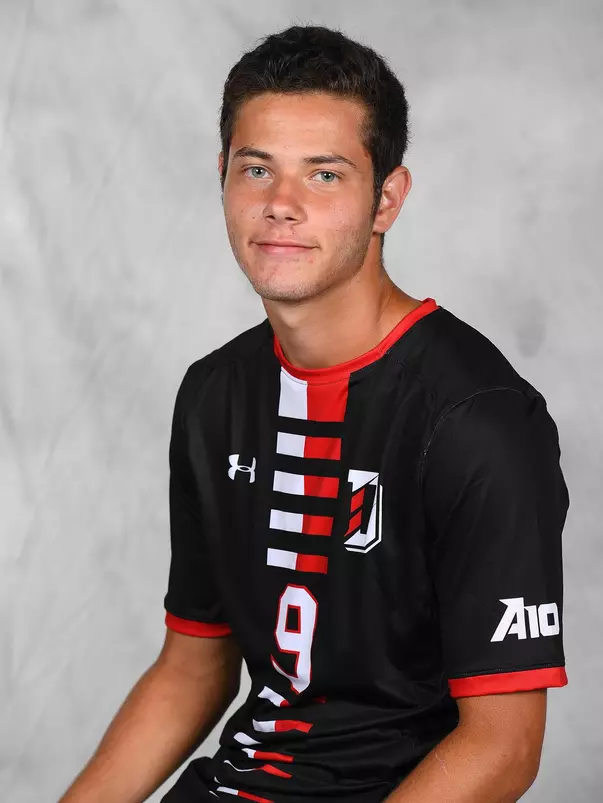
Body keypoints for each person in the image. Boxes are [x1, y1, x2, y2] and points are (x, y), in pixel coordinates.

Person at [59, 24, 569, 803]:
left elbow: (503, 746)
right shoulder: (213, 393)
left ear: (385, 199)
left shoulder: (477, 419)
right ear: (221, 177)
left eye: (324, 175)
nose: (281, 205)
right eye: (255, 168)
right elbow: (191, 666)